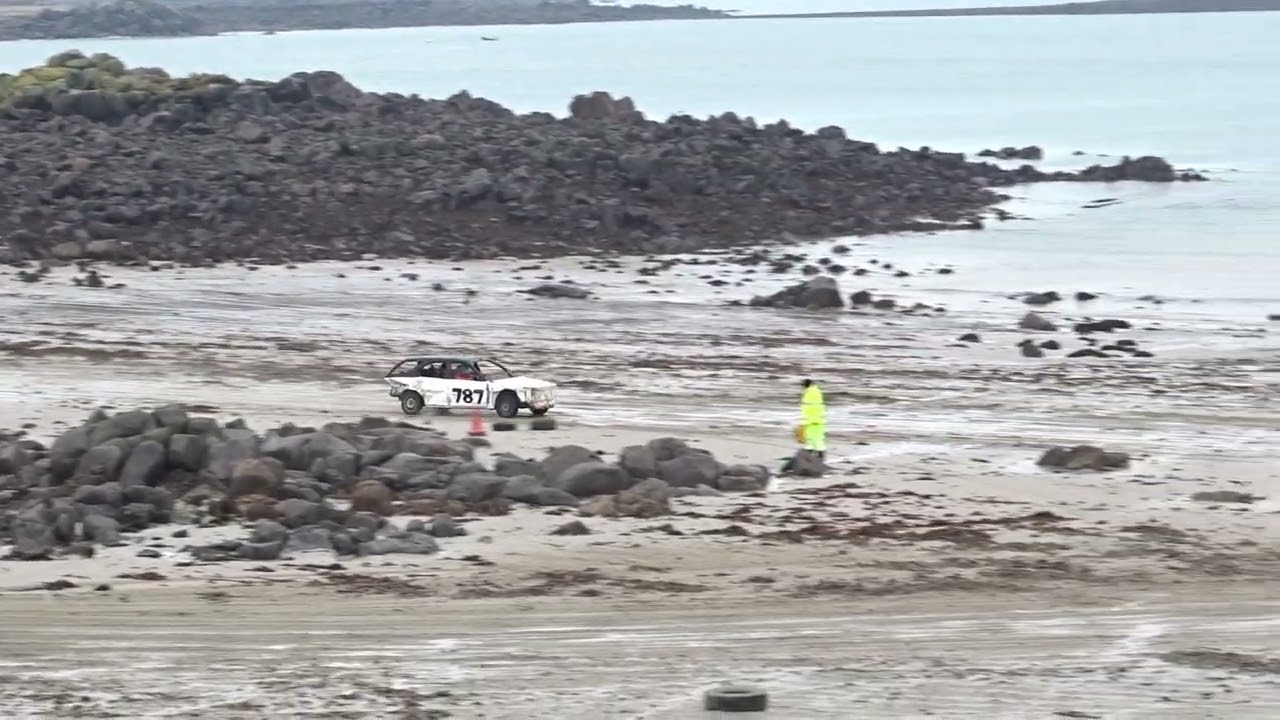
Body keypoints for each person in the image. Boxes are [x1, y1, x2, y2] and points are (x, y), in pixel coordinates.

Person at [800, 378, 826, 461]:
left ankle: (809, 453)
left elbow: (806, 408)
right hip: (819, 420)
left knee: (809, 438)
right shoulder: (817, 391)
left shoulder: (808, 393)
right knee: (819, 438)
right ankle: (821, 454)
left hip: (809, 421)